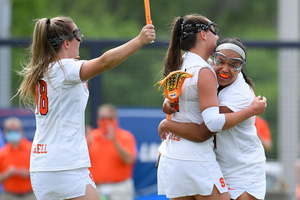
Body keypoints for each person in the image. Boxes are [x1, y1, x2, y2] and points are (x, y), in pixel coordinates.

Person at [15, 16, 155, 200]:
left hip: (41, 167)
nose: (80, 41)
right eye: (77, 35)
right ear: (66, 43)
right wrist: (140, 40)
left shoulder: (43, 70)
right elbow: (105, 62)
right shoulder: (65, 68)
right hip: (66, 165)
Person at [156, 14, 266, 200]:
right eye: (221, 60)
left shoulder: (187, 63)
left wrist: (167, 123)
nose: (225, 68)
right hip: (200, 160)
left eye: (234, 64)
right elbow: (206, 125)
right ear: (204, 35)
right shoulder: (205, 69)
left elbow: (205, 128)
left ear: (242, 68)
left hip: (241, 171)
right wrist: (167, 107)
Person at [88, 103, 137, 200]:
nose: (106, 122)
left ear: (116, 119)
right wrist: (87, 144)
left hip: (119, 188)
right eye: (102, 119)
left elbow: (129, 160)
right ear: (98, 120)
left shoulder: (126, 136)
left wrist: (114, 140)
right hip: (96, 188)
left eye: (110, 118)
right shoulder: (91, 137)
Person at [0, 117, 36, 200]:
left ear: (21, 131)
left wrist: (28, 173)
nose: (13, 132)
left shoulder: (32, 149)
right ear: (5, 132)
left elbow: (42, 172)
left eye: (16, 130)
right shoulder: (2, 153)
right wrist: (7, 173)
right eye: (10, 130)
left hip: (31, 194)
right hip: (8, 195)